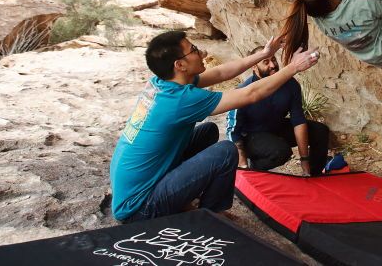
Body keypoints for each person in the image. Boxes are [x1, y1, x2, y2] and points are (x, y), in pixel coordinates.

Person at [109, 31, 319, 223]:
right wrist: (293, 68)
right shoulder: (181, 100)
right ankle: (210, 217)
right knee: (226, 151)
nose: (202, 52)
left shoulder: (161, 83)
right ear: (179, 65)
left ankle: (182, 199)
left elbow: (219, 74)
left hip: (134, 189)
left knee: (207, 131)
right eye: (194, 50)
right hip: (139, 208)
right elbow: (251, 94)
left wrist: (264, 53)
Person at [226, 47, 330, 176]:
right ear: (254, 66)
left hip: (276, 127)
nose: (273, 65)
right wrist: (243, 167)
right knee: (280, 151)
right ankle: (255, 169)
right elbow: (233, 132)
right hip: (251, 136)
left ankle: (313, 175)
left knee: (320, 131)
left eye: (274, 59)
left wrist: (304, 160)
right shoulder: (243, 91)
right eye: (266, 62)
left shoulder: (290, 84)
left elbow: (298, 121)